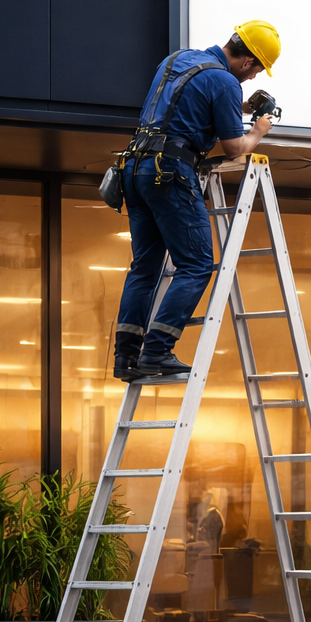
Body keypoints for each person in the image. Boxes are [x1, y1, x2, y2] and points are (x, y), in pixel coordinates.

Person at [113, 21, 281, 380]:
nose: (251, 80)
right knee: (197, 264)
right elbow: (235, 148)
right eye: (254, 71)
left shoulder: (178, 60)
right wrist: (257, 130)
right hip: (171, 173)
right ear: (248, 61)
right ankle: (157, 351)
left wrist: (239, 105)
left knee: (144, 268)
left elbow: (184, 107)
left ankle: (126, 357)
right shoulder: (225, 81)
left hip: (137, 169)